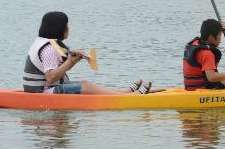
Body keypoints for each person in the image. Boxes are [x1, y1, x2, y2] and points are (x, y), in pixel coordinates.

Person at [23, 11, 152, 94]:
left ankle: (125, 92)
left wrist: (72, 61)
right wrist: (69, 61)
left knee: (84, 84)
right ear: (59, 28)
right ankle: (129, 96)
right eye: (66, 25)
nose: (68, 28)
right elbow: (51, 77)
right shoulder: (49, 48)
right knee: (86, 86)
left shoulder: (45, 42)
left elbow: (57, 72)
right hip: (41, 93)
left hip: (42, 89)